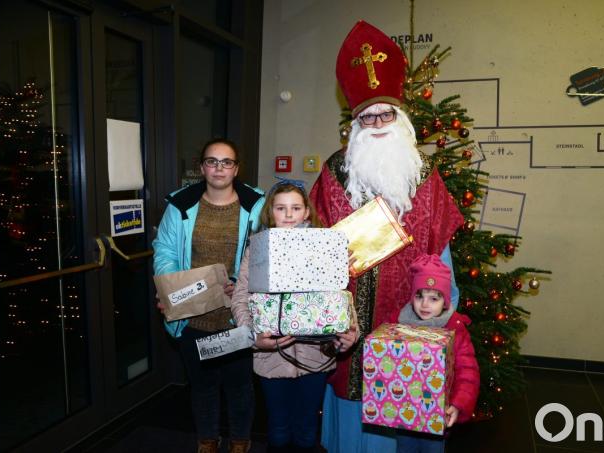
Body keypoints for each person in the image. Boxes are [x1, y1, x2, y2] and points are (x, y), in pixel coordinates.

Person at [309, 20, 465, 452]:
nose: (377, 122)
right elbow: (314, 243)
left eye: (385, 114)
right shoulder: (334, 172)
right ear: (355, 124)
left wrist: (443, 305)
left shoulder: (424, 174)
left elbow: (442, 246)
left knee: (409, 401)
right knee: (351, 403)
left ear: (401, 118)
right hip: (350, 318)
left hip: (410, 313)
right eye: (367, 116)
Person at [152, 138, 264, 453]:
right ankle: (207, 441)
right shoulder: (181, 204)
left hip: (236, 315)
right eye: (212, 161)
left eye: (226, 162)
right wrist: (170, 289)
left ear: (236, 168)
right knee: (202, 386)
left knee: (240, 386)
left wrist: (242, 283)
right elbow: (164, 251)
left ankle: (241, 441)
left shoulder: (257, 205)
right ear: (202, 167)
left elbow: (267, 255)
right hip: (194, 314)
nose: (219, 168)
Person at [230, 178, 355, 453]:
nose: (288, 215)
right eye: (281, 208)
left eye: (295, 208)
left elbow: (341, 294)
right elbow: (240, 297)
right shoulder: (257, 249)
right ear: (270, 212)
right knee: (277, 427)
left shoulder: (325, 246)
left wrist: (350, 333)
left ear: (306, 212)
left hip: (316, 356)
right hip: (270, 356)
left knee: (308, 428)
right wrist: (252, 335)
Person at [392, 254, 480, 453]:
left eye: (434, 298)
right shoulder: (398, 322)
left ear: (445, 301)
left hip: (437, 415)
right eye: (419, 296)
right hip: (404, 413)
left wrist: (458, 405)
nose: (425, 304)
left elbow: (468, 371)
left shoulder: (455, 328)